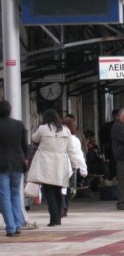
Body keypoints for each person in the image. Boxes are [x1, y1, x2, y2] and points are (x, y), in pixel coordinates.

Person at [28, 109, 79, 227]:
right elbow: (71, 150)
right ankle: (58, 218)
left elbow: (34, 139)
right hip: (60, 164)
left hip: (46, 164)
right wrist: (75, 165)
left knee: (49, 192)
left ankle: (53, 219)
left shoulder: (42, 129)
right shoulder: (65, 130)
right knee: (58, 191)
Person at [0, 100, 28, 237]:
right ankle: (17, 224)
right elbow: (25, 146)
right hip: (18, 164)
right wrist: (25, 159)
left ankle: (10, 227)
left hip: (2, 166)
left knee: (4, 196)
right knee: (15, 194)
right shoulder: (19, 125)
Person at [61, 116, 88, 217]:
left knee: (61, 189)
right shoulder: (74, 140)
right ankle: (65, 208)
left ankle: (61, 207)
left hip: (58, 166)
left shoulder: (57, 137)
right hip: (71, 168)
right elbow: (79, 155)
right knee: (69, 190)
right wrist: (83, 170)